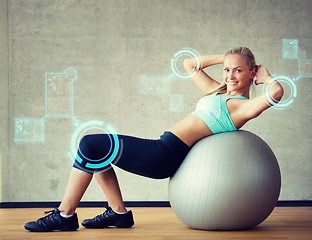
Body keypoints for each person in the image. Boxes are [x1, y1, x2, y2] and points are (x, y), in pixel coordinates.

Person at [24, 46, 284, 232]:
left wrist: (267, 77)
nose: (229, 76)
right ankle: (118, 214)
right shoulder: (218, 91)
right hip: (163, 147)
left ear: (252, 74)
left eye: (238, 70)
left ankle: (64, 214)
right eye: (227, 69)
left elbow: (277, 92)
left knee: (90, 144)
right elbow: (189, 65)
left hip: (164, 154)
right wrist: (225, 57)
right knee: (95, 152)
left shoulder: (241, 106)